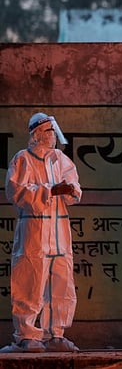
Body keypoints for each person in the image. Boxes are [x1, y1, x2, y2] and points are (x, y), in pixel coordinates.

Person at [1, 113, 82, 353]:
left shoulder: (61, 160)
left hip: (59, 231)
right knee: (30, 281)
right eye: (48, 131)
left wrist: (69, 191)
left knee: (61, 282)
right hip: (35, 230)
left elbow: (75, 188)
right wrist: (49, 190)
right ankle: (26, 335)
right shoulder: (23, 160)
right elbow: (16, 193)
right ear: (36, 134)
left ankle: (55, 333)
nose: (52, 136)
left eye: (53, 131)